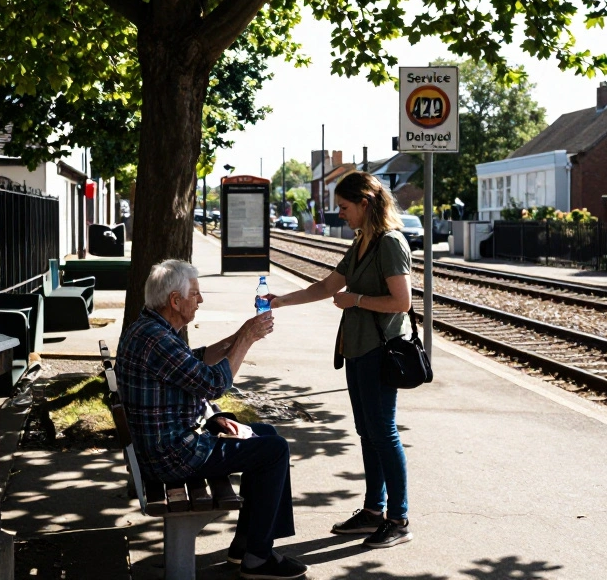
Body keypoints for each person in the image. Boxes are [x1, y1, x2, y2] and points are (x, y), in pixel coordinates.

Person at [116, 259, 307, 579]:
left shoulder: (150, 328)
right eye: (196, 294)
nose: (200, 300)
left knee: (265, 432)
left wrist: (237, 338)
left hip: (162, 443)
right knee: (274, 451)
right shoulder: (158, 340)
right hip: (173, 454)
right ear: (175, 301)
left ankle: (247, 544)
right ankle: (258, 557)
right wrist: (245, 339)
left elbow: (195, 361)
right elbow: (214, 384)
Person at [268, 172, 414, 549]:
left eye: (345, 207)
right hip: (357, 350)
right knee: (368, 433)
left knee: (384, 433)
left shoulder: (390, 244)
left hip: (381, 353)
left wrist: (358, 301)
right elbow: (327, 286)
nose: (340, 214)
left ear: (365, 203)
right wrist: (283, 300)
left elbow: (402, 302)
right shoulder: (363, 241)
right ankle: (372, 511)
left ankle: (398, 519)